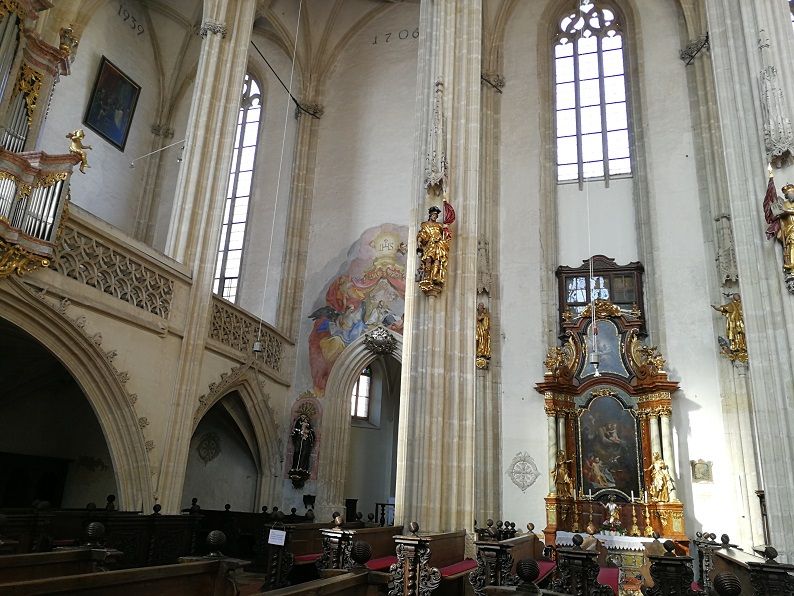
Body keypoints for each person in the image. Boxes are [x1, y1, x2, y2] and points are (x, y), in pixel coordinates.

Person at [416, 205, 450, 294]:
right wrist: (419, 242)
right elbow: (422, 235)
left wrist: (446, 228)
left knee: (437, 260)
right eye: (434, 215)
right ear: (430, 215)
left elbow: (445, 234)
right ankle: (427, 276)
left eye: (436, 216)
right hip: (429, 245)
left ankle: (435, 276)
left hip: (438, 244)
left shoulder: (439, 225)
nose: (435, 217)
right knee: (428, 259)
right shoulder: (425, 225)